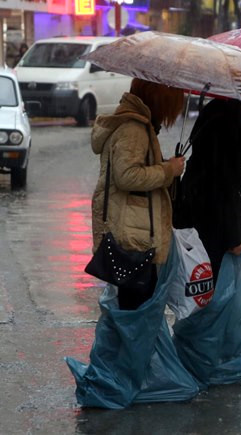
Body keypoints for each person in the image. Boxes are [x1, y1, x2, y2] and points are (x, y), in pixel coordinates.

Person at [90, 78, 185, 310]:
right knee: (136, 312)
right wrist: (167, 170)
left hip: (133, 232)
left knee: (131, 312)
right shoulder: (134, 129)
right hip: (133, 238)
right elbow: (127, 176)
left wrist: (163, 166)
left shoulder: (141, 126)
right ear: (158, 97)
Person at [178, 98, 241, 284]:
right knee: (218, 282)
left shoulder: (218, 110)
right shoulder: (232, 122)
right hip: (215, 219)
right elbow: (224, 182)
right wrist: (233, 238)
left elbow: (219, 158)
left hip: (196, 208)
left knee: (201, 280)